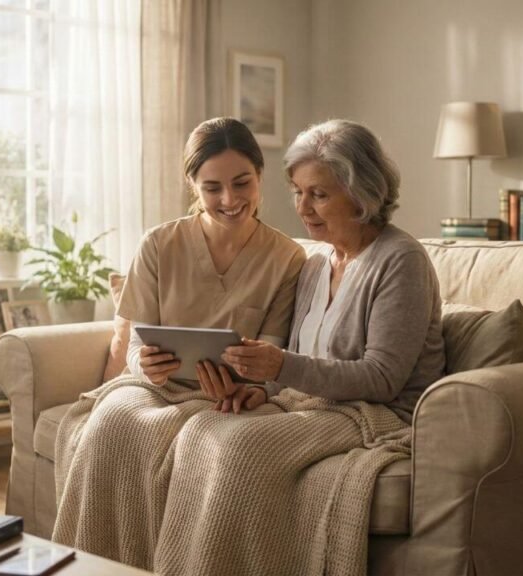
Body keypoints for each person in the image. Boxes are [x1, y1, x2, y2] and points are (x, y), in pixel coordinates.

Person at [154, 119, 445, 575]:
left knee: (241, 450)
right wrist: (262, 391)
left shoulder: (400, 260)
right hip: (313, 405)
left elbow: (383, 378)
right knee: (200, 431)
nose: (303, 208)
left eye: (319, 194)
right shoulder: (314, 263)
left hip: (377, 413)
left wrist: (280, 369)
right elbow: (294, 366)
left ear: (362, 192)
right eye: (297, 192)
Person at [52, 118, 306, 567]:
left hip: (226, 402)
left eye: (241, 183)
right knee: (111, 423)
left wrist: (251, 387)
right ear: (192, 185)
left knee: (208, 446)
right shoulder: (158, 244)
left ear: (260, 176)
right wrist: (142, 364)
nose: (230, 200)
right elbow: (134, 344)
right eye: (212, 188)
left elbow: (272, 352)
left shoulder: (287, 257)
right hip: (154, 387)